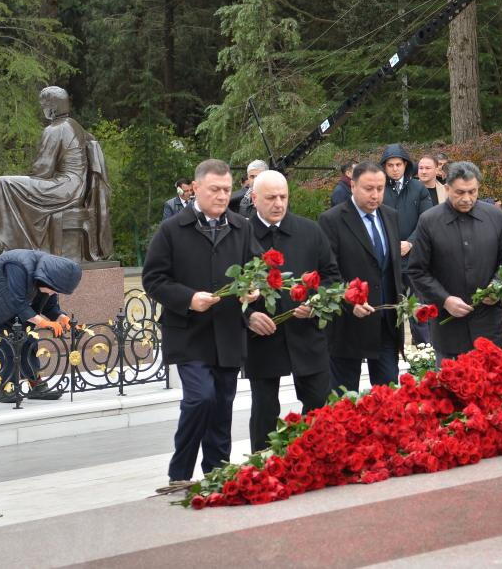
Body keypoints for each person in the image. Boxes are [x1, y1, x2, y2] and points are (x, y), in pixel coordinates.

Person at [144, 159, 257, 491]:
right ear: (196, 189)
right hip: (189, 333)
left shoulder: (241, 226)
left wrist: (254, 288)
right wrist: (189, 298)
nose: (223, 196)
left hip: (227, 333)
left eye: (226, 189)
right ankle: (179, 473)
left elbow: (255, 267)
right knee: (200, 398)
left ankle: (217, 472)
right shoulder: (171, 229)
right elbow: (154, 279)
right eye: (215, 190)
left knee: (222, 403)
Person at [0, 86, 112, 261]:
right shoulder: (74, 125)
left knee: (5, 182)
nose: (42, 108)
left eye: (43, 104)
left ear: (52, 106)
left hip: (64, 188)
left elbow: (42, 170)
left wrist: (26, 178)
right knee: (11, 187)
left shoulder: (55, 129)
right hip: (75, 188)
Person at [244, 170, 340, 452]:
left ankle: (316, 458)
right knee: (264, 408)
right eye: (271, 197)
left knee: (319, 402)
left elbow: (332, 276)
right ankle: (261, 467)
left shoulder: (310, 231)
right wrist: (247, 317)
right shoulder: (240, 233)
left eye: (283, 196)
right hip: (262, 336)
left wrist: (316, 303)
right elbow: (226, 287)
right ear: (254, 198)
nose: (278, 203)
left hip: (307, 333)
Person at [409, 161, 502, 363]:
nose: (467, 198)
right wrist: (445, 300)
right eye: (460, 192)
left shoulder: (494, 216)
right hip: (448, 326)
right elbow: (417, 270)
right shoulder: (429, 221)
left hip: (488, 323)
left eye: (472, 192)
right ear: (447, 188)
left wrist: (497, 286)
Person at [319, 163, 406, 392]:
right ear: (353, 185)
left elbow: (392, 267)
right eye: (368, 188)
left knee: (388, 395)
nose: (375, 195)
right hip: (348, 325)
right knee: (344, 399)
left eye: (380, 188)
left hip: (386, 321)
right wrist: (349, 300)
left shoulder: (390, 216)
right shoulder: (332, 220)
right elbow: (328, 272)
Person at [0, 249, 82, 402]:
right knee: (4, 345)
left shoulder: (47, 275)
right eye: (54, 289)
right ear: (46, 279)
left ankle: (36, 385)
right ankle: (5, 389)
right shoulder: (18, 265)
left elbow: (50, 306)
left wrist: (62, 317)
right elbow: (16, 301)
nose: (53, 293)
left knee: (29, 342)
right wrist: (43, 322)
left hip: (9, 312)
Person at [380, 144, 434, 254]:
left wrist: (411, 242)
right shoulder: (378, 189)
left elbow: (427, 220)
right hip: (385, 253)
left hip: (414, 254)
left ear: (405, 164)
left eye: (398, 164)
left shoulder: (419, 188)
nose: (395, 169)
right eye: (390, 165)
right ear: (384, 166)